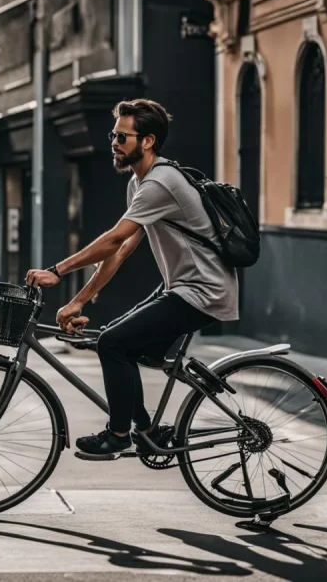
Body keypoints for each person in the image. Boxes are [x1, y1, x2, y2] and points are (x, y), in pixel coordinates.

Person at [26, 98, 239, 456]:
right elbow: (120, 250)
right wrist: (79, 300)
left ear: (148, 141)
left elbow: (111, 238)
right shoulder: (140, 184)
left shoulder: (161, 182)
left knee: (113, 343)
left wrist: (56, 272)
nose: (113, 142)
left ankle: (120, 433)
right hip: (182, 287)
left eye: (122, 136)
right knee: (112, 342)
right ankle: (148, 432)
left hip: (204, 291)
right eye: (113, 134)